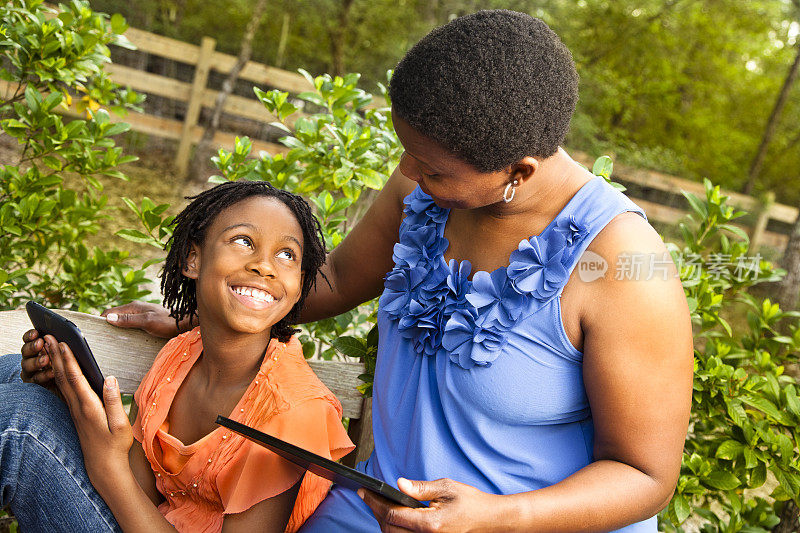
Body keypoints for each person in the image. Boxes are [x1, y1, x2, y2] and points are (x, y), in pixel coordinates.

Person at [100, 10, 692, 532]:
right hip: (376, 508)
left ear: (520, 171)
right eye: (407, 149)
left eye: (432, 168)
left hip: (520, 524)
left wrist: (496, 518)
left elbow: (645, 475)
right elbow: (337, 279)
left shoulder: (623, 268)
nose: (409, 171)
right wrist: (221, 310)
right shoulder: (431, 183)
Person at [3, 181, 355, 532]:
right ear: (193, 258)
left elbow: (114, 477)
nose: (265, 266)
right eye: (243, 241)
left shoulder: (294, 411)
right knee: (10, 374)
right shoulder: (179, 356)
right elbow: (142, 493)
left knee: (22, 422)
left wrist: (108, 465)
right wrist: (70, 399)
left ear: (299, 285)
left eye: (286, 254)